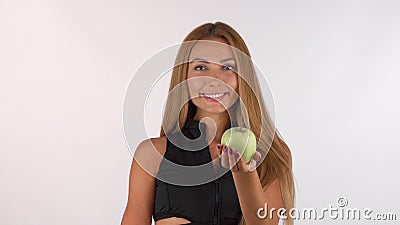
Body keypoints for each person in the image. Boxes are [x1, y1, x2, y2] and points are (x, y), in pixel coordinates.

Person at [121, 21, 295, 225]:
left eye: (227, 67)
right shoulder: (152, 154)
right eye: (200, 67)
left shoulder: (273, 155)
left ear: (243, 77)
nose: (214, 79)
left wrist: (244, 176)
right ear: (184, 77)